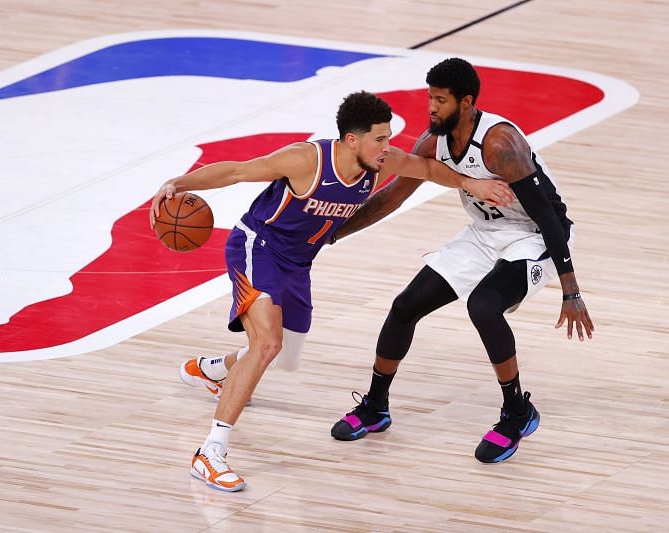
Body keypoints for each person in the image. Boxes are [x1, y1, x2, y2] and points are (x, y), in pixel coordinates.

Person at [150, 90, 513, 491]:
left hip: (299, 263)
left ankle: (216, 372)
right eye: (379, 139)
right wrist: (177, 183)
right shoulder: (306, 159)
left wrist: (469, 184)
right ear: (352, 139)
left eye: (388, 138)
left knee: (283, 356)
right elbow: (237, 171)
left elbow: (425, 169)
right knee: (267, 344)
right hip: (259, 247)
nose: (386, 147)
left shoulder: (379, 160)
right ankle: (210, 453)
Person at [327, 59, 594, 464]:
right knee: (404, 307)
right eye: (429, 98)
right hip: (485, 235)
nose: (431, 108)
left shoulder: (500, 143)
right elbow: (392, 198)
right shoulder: (433, 143)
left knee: (484, 306)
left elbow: (548, 216)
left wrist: (570, 290)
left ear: (466, 102)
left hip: (534, 236)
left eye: (440, 100)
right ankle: (376, 407)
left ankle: (518, 412)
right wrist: (333, 232)